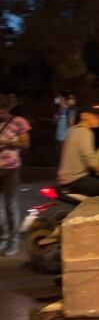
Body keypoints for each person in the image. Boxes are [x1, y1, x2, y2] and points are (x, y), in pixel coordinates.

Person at [0, 97, 31, 257]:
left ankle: (14, 241)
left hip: (11, 168)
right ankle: (3, 239)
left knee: (10, 205)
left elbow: (26, 143)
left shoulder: (19, 121)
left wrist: (7, 142)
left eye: (3, 110)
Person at [54, 92, 77, 163]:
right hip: (58, 138)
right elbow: (55, 122)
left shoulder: (70, 111)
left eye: (59, 98)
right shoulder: (59, 110)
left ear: (63, 99)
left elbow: (71, 124)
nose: (57, 100)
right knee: (59, 158)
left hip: (66, 139)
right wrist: (56, 118)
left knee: (65, 160)